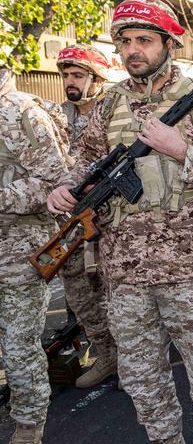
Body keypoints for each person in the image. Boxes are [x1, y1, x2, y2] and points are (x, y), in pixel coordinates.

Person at [47, 0, 193, 444]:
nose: (132, 50)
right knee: (141, 373)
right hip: (124, 269)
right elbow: (88, 162)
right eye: (124, 41)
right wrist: (66, 188)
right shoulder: (110, 105)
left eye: (144, 40)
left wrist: (181, 149)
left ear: (168, 44)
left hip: (188, 267)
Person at [0, 66, 70, 444]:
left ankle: (28, 434)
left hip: (17, 252)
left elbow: (54, 182)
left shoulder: (21, 112)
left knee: (18, 346)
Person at [55, 44, 118, 388]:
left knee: (115, 291)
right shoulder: (55, 115)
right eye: (66, 75)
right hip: (70, 222)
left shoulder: (114, 110)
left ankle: (132, 359)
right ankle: (106, 355)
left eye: (77, 75)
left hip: (110, 218)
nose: (70, 81)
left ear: (98, 78)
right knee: (78, 290)